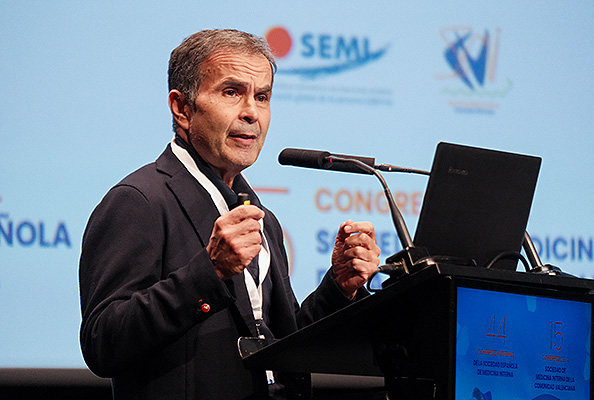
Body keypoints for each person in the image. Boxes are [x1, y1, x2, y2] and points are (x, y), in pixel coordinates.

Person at [79, 29, 380, 400]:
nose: (251, 113)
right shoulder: (139, 201)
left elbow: (279, 343)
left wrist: (338, 288)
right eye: (232, 92)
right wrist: (210, 272)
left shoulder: (263, 219)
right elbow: (102, 343)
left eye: (262, 97)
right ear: (182, 108)